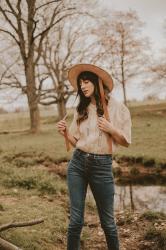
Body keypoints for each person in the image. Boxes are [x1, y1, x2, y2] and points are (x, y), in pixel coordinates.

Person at [57, 64, 132, 250]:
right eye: (80, 83)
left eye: (86, 81)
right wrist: (66, 133)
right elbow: (77, 142)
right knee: (75, 221)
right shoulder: (81, 108)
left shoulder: (118, 108)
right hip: (77, 164)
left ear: (98, 82)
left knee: (108, 223)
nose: (82, 86)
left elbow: (126, 142)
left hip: (102, 166)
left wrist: (111, 128)